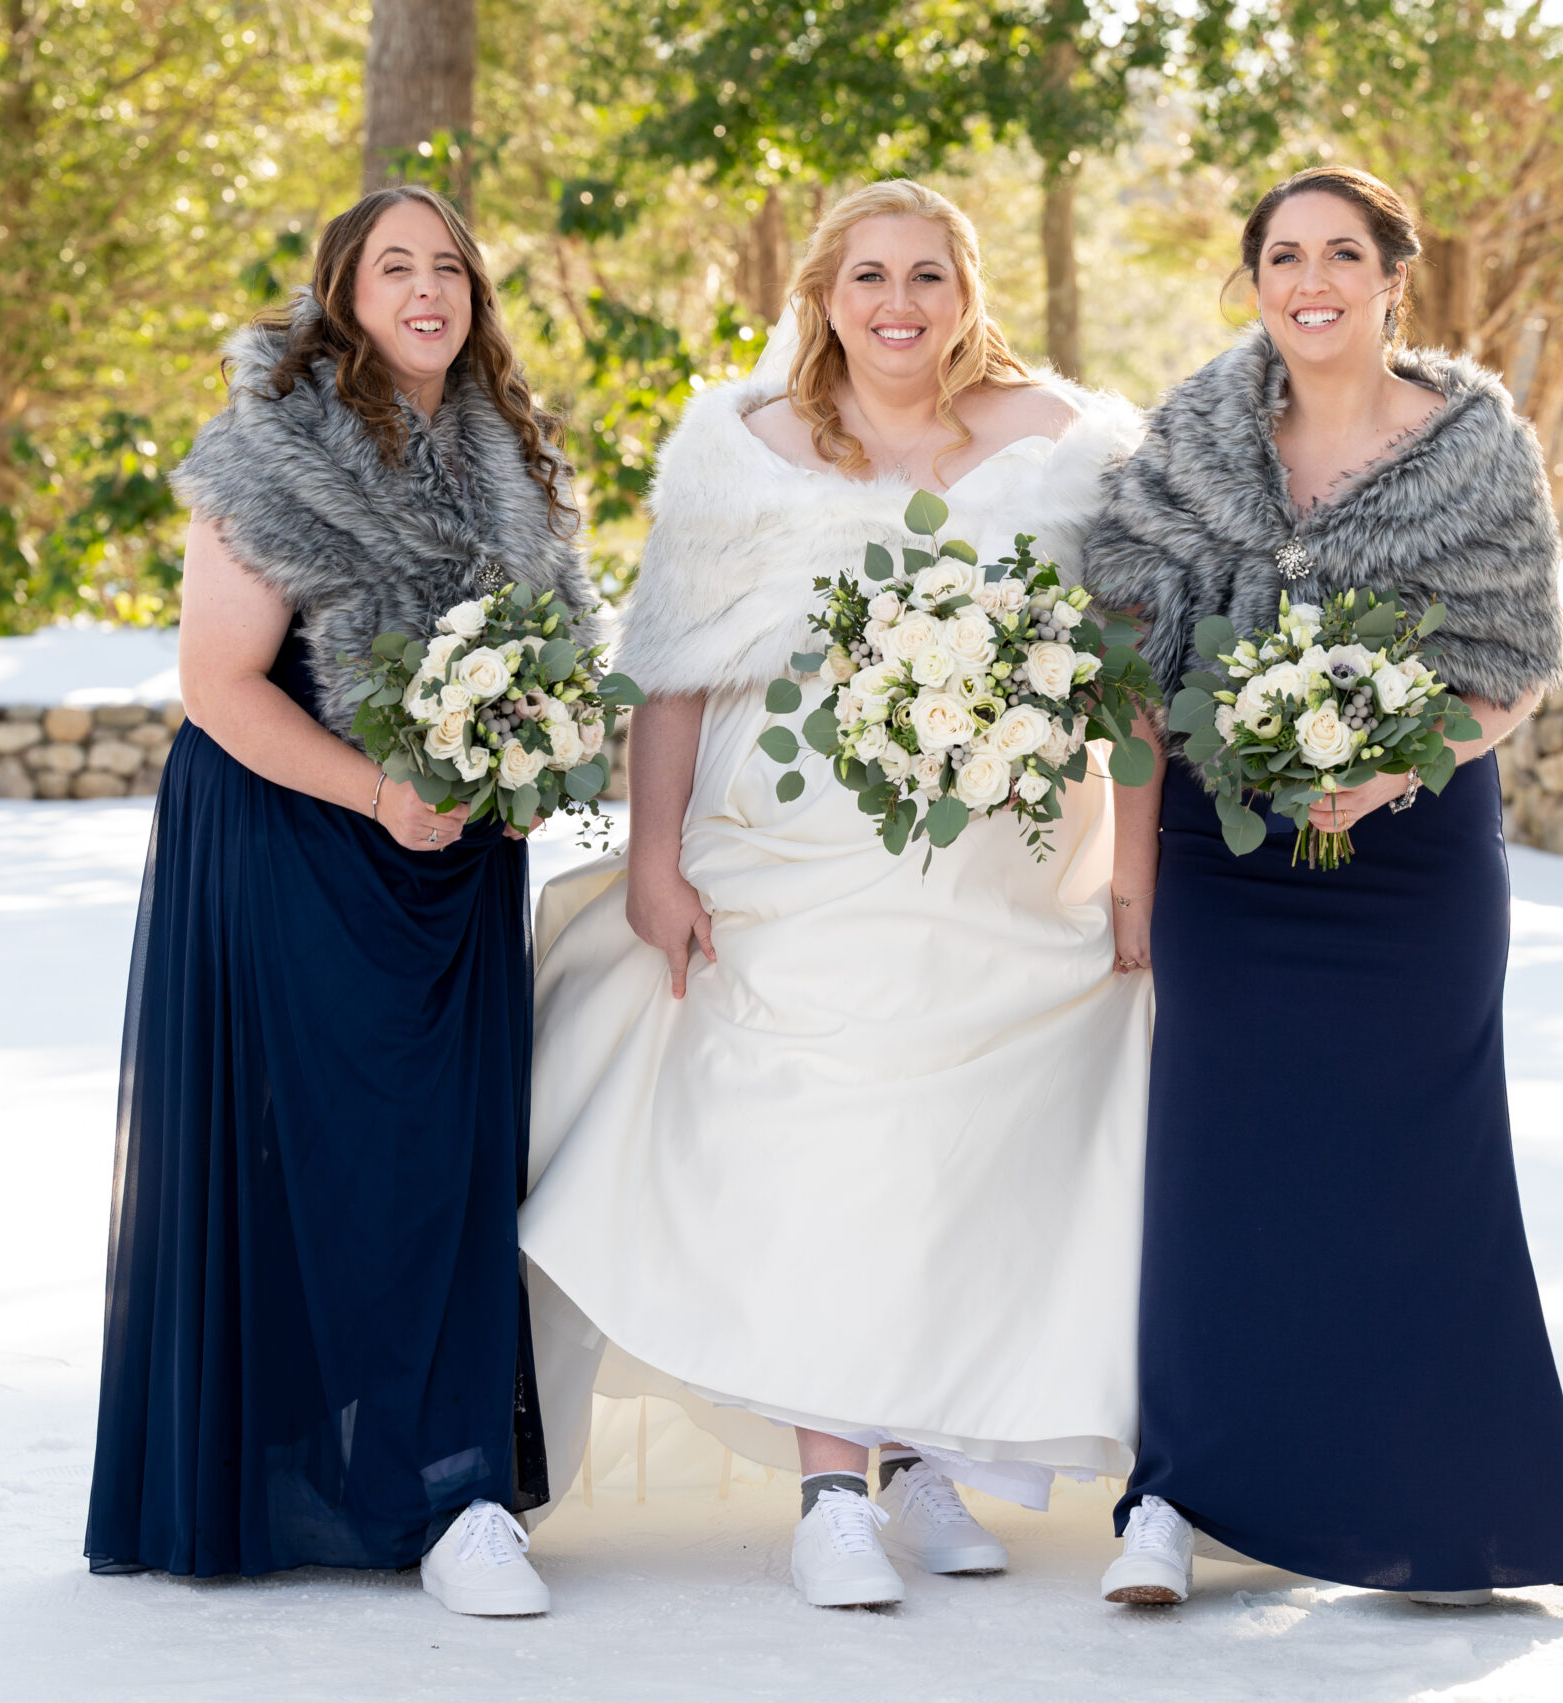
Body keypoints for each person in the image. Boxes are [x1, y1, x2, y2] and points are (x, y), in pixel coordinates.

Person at [520, 179, 1153, 1609]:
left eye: (928, 276)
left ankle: (924, 1454)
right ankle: (828, 1491)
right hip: (790, 842)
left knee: (957, 1152)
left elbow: (1128, 687)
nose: (899, 306)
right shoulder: (743, 451)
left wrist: (1134, 879)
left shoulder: (1060, 449)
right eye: (869, 276)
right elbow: (674, 668)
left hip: (1003, 851)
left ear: (967, 291)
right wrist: (658, 857)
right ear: (823, 294)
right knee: (831, 1143)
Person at [1081, 165, 1563, 1607]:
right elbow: (1126, 670)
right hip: (1222, 863)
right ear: (1254, 283)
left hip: (1418, 859)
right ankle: (1172, 1501)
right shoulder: (1184, 446)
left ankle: (1438, 1511)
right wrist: (1133, 876)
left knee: (1419, 1176)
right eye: (1282, 256)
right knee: (1213, 1178)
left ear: (1392, 277)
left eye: (1341, 254)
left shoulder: (1480, 450)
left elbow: (1519, 660)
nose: (1311, 279)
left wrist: (1390, 769)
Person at [83, 184, 596, 1616]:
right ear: (343, 296)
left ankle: (455, 1487)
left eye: (451, 267)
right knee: (318, 1165)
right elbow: (215, 684)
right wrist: (379, 793)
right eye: (395, 267)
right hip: (296, 838)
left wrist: (537, 756)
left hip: (456, 865)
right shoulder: (275, 451)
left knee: (451, 1163)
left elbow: (553, 657)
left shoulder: (515, 458)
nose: (428, 289)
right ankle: (352, 1486)